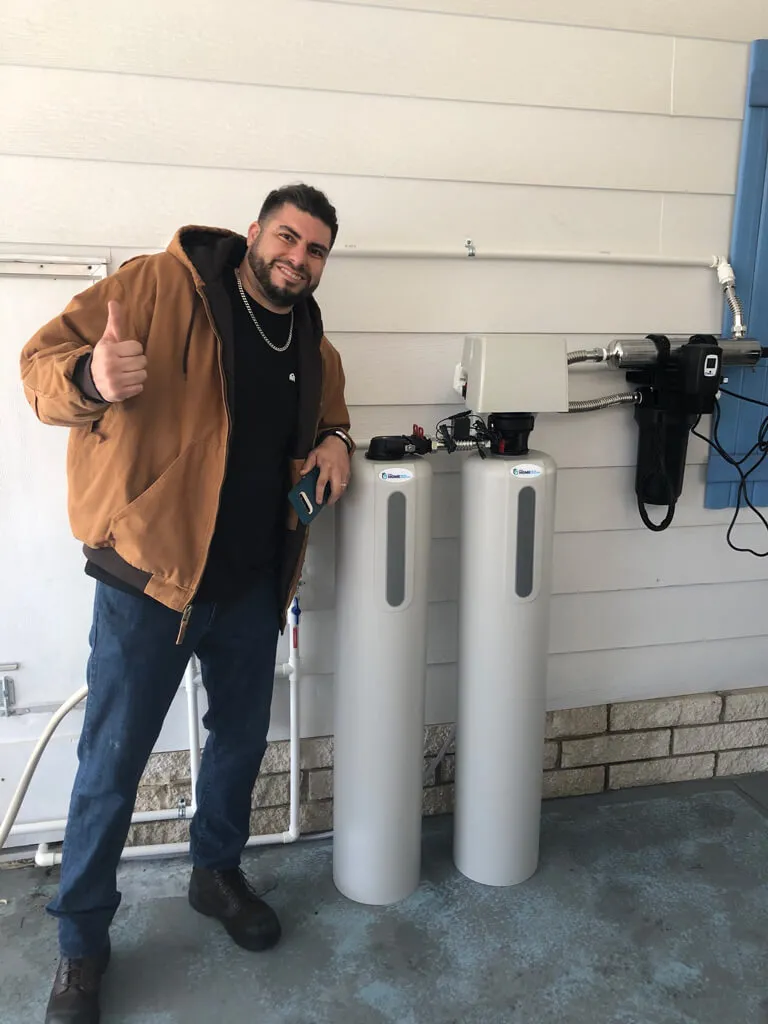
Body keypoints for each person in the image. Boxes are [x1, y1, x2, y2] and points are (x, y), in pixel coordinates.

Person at [19, 183, 354, 1024]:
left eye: (315, 250)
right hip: (149, 581)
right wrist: (92, 377)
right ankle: (81, 946)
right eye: (287, 238)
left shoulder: (312, 339)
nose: (298, 259)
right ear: (253, 234)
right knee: (112, 768)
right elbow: (37, 370)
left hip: (249, 586)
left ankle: (215, 874)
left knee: (239, 742)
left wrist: (337, 442)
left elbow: (332, 415)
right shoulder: (154, 289)